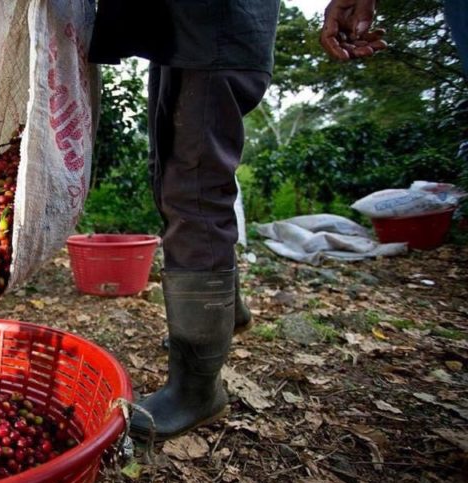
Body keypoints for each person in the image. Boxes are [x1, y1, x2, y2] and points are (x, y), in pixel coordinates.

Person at [88, 0, 386, 441]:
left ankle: (197, 388)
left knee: (194, 191)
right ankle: (227, 311)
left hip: (218, 24)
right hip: (179, 26)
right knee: (170, 173)